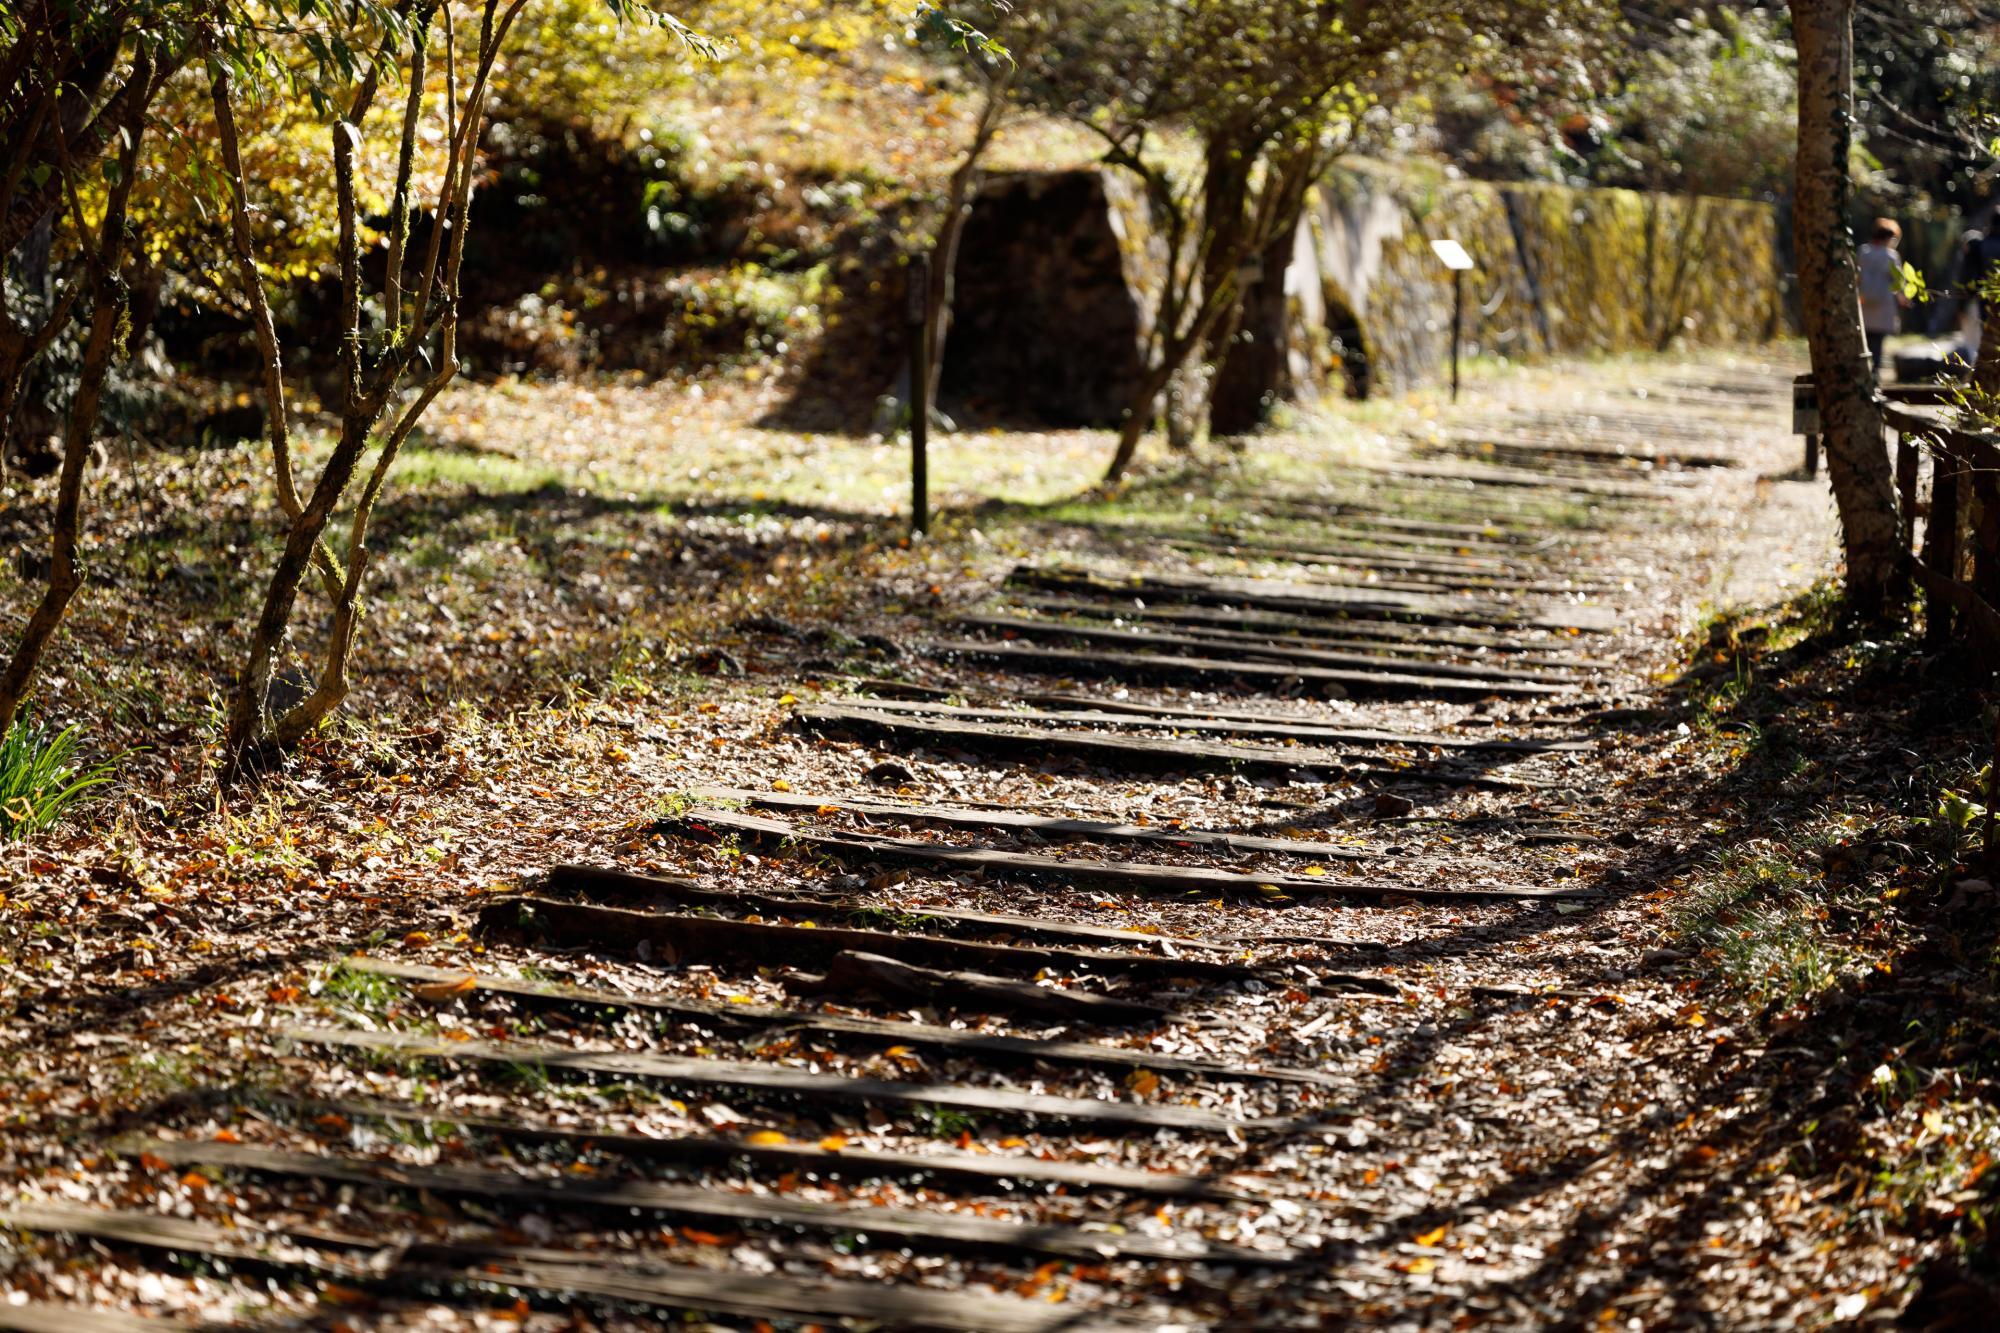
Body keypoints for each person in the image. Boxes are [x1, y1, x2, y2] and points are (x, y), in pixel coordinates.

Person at [1857, 218, 1906, 380]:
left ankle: (1863, 371)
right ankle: (1874, 373)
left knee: (1865, 338)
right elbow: (1898, 282)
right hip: (1883, 306)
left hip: (1863, 303)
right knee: (1878, 342)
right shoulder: (1891, 256)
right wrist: (1903, 298)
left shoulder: (1863, 252)